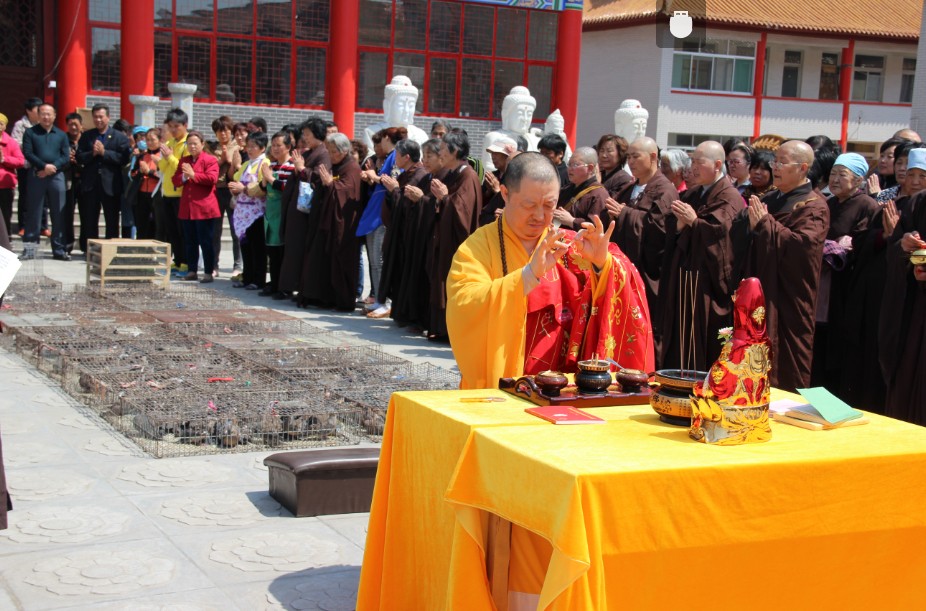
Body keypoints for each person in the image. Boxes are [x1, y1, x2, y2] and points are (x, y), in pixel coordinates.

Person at [446, 152, 655, 389]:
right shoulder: (477, 247)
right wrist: (527, 276)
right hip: (501, 383)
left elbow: (610, 294)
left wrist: (601, 265)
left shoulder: (568, 245)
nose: (539, 216)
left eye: (549, 205)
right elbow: (463, 304)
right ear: (505, 194)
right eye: (529, 205)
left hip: (561, 387)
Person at [731, 140, 830, 391]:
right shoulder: (771, 198)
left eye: (783, 162)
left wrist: (765, 224)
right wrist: (750, 224)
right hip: (759, 292)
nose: (775, 167)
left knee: (784, 360)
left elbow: (803, 248)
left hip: (788, 296)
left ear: (803, 167)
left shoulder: (814, 205)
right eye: (776, 161)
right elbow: (738, 232)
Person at [660, 140, 744, 371]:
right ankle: (675, 376)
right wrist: (679, 224)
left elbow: (721, 236)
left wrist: (694, 223)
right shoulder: (694, 193)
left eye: (699, 162)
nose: (693, 167)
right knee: (679, 333)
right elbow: (671, 222)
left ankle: (699, 382)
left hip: (706, 281)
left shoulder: (729, 197)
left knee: (700, 337)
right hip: (684, 274)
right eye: (692, 161)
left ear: (718, 164)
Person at [605, 136, 679, 350]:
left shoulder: (665, 190)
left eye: (635, 156)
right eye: (628, 157)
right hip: (621, 267)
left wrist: (625, 214)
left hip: (648, 271)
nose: (631, 162)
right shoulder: (629, 187)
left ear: (653, 156)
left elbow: (660, 230)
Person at [812, 152, 879, 389]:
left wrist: (845, 245)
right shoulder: (827, 203)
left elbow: (862, 242)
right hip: (821, 280)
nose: (835, 179)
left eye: (843, 175)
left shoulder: (867, 206)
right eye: (833, 174)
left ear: (859, 180)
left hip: (845, 284)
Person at [298, 132, 363, 311]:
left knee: (341, 261)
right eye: (329, 151)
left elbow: (348, 190)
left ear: (344, 151)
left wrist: (331, 184)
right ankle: (324, 297)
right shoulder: (338, 165)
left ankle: (342, 300)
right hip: (329, 221)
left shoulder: (352, 167)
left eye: (334, 151)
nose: (331, 155)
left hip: (345, 224)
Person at [428, 131, 482, 341]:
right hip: (446, 239)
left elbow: (464, 212)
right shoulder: (454, 174)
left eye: (443, 149)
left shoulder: (468, 175)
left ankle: (451, 331)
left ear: (455, 151)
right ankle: (442, 329)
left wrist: (444, 198)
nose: (440, 153)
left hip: (457, 242)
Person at [376, 138, 428, 322]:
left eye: (397, 154)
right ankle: (398, 311)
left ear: (406, 157)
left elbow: (408, 205)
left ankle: (405, 313)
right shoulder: (407, 173)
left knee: (405, 274)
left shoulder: (419, 175)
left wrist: (395, 190)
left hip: (408, 235)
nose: (394, 158)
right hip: (399, 233)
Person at [279, 117, 331, 298]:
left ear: (318, 134)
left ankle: (299, 286)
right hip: (297, 208)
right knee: (293, 248)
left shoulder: (323, 153)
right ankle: (289, 285)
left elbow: (319, 177)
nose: (305, 138)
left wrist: (301, 169)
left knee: (301, 249)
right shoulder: (311, 152)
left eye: (308, 134)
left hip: (307, 210)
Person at [75, 103, 130, 247]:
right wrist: (92, 153)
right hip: (91, 183)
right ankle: (91, 249)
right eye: (95, 117)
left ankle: (110, 250)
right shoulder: (87, 136)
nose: (98, 120)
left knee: (111, 219)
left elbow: (123, 159)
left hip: (110, 184)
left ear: (108, 117)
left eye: (101, 116)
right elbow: (79, 157)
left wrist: (104, 153)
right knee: (90, 219)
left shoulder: (119, 137)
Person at [20, 103, 70, 260]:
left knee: (58, 213)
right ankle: (30, 248)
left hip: (57, 176)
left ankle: (59, 249)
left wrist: (53, 167)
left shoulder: (61, 135)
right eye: (43, 113)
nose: (46, 117)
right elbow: (28, 153)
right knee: (34, 212)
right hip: (37, 175)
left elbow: (65, 156)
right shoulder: (30, 133)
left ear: (55, 115)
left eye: (49, 114)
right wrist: (43, 166)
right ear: (38, 115)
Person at [171, 131, 219, 283]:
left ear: (202, 144)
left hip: (204, 207)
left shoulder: (210, 159)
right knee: (190, 241)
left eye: (195, 143)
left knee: (206, 241)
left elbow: (212, 179)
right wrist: (184, 176)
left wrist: (193, 174)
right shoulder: (184, 160)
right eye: (189, 143)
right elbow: (175, 180)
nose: (192, 146)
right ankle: (192, 270)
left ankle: (208, 272)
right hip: (188, 207)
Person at [229, 131, 271, 290]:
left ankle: (258, 279)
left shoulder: (265, 163)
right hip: (242, 210)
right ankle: (247, 277)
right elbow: (236, 178)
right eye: (248, 146)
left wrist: (243, 188)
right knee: (245, 246)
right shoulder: (247, 163)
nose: (250, 149)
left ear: (262, 148)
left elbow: (262, 186)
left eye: (254, 146)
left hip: (257, 211)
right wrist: (234, 189)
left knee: (257, 247)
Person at [260, 131, 296, 297]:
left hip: (284, 215)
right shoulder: (272, 166)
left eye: (278, 145)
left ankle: (285, 287)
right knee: (272, 253)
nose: (274, 148)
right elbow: (262, 189)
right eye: (273, 145)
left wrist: (270, 178)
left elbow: (288, 190)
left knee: (283, 253)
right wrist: (264, 179)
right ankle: (274, 284)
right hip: (270, 214)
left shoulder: (292, 167)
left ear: (288, 147)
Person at [157, 108, 190, 274]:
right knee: (172, 231)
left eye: (176, 126)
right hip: (167, 193)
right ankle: (177, 261)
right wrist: (163, 158)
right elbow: (162, 168)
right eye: (170, 126)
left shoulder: (187, 144)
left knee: (181, 230)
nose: (173, 129)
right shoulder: (169, 144)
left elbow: (183, 168)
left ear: (185, 125)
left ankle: (185, 261)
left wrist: (169, 156)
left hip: (181, 194)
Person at [211, 116, 243, 279]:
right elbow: (208, 168)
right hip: (215, 190)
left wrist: (228, 160)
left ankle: (237, 265)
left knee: (235, 230)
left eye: (225, 130)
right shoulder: (211, 148)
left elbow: (238, 165)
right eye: (219, 131)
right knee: (215, 231)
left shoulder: (237, 146)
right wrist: (221, 160)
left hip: (232, 190)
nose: (222, 134)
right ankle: (214, 265)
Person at [554, 146, 608, 232]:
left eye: (575, 165)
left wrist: (572, 221)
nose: (569, 169)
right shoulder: (567, 189)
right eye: (569, 164)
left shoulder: (598, 194)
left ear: (590, 168)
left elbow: (596, 229)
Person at [11, 97, 43, 236]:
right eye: (38, 110)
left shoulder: (43, 124)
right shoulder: (20, 125)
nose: (41, 113)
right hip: (25, 165)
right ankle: (23, 225)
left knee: (43, 197)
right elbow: (15, 143)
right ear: (29, 111)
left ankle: (42, 225)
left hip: (40, 165)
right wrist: (31, 146)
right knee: (24, 195)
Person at [130, 128, 162, 240]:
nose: (149, 142)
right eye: (147, 140)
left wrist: (149, 172)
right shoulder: (142, 156)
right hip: (142, 193)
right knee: (141, 224)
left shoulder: (162, 156)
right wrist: (140, 171)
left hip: (157, 194)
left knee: (157, 224)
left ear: (160, 140)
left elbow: (163, 175)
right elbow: (132, 174)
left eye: (152, 140)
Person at [478, 137, 517, 226]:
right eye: (492, 153)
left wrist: (498, 191)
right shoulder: (493, 175)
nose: (493, 156)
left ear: (508, 156)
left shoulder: (515, 178)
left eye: (496, 153)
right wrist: (487, 192)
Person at [0, 113, 25, 237]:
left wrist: (4, 159)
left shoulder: (11, 142)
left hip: (5, 184)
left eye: (1, 124)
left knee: (5, 213)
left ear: (5, 127)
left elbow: (20, 161)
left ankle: (5, 239)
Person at [62, 113, 83, 252]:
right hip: (67, 180)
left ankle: (84, 245)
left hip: (84, 180)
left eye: (76, 124)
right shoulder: (62, 139)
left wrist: (80, 160)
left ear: (81, 125)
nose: (73, 127)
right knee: (67, 213)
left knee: (86, 214)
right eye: (70, 124)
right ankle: (67, 243)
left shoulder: (87, 139)